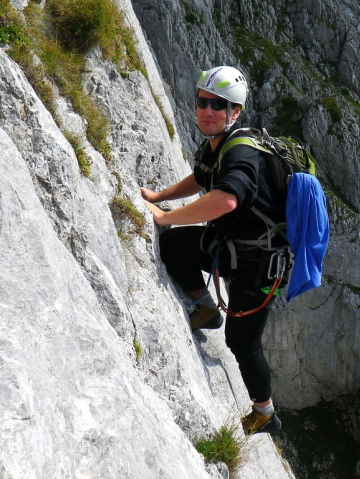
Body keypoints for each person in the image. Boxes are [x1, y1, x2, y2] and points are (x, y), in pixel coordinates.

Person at [140, 66, 285, 435]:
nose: (207, 110)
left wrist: (165, 217)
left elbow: (226, 201)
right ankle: (205, 307)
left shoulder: (240, 154)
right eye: (202, 102)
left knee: (242, 342)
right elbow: (202, 176)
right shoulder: (218, 144)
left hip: (260, 264)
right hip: (231, 245)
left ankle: (266, 413)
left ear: (234, 112)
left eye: (218, 105)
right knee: (173, 246)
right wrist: (160, 198)